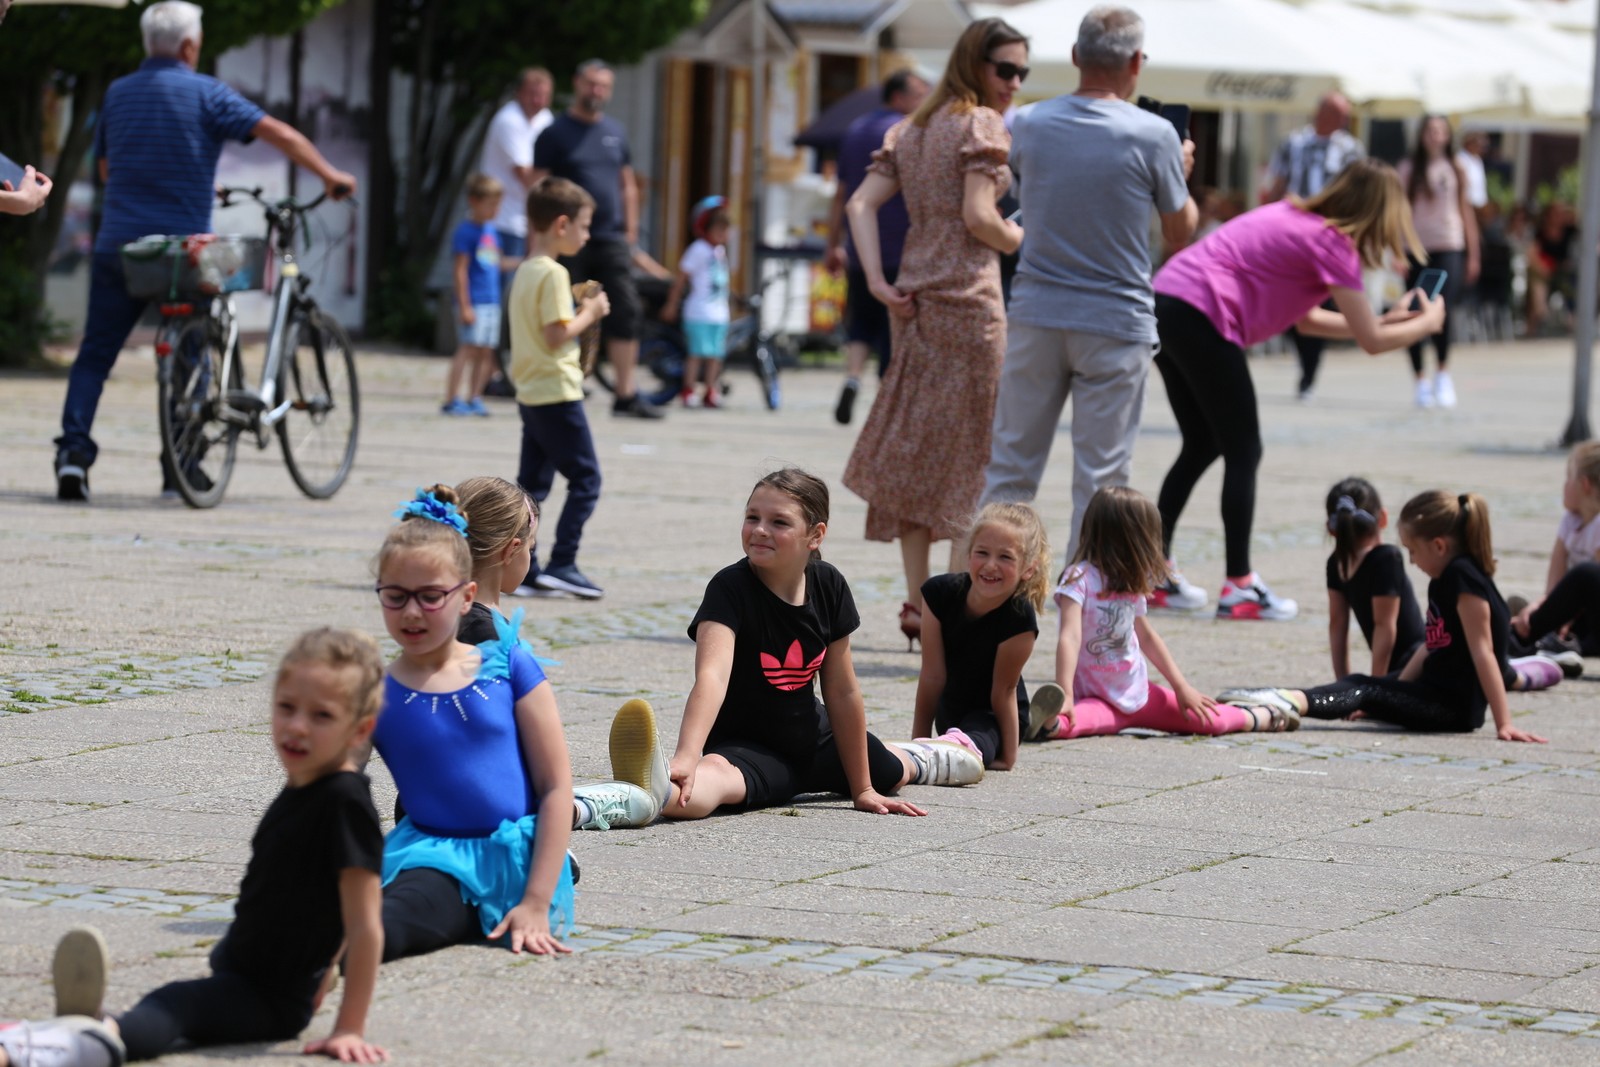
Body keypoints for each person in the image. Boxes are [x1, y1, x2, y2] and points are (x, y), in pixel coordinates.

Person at [0, 629, 390, 1066]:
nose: (297, 725)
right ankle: (92, 1026)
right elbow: (329, 901)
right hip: (245, 970)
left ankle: (76, 1043)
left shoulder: (344, 802)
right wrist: (324, 974)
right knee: (191, 1001)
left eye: (321, 716)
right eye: (286, 707)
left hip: (271, 996)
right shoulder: (307, 782)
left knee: (176, 1004)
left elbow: (365, 924)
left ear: (360, 729)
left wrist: (349, 1027)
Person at [52, 0, 355, 504]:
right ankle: (183, 467)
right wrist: (331, 175)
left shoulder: (118, 92)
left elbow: (107, 172)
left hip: (120, 247)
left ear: (149, 43)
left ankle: (72, 459)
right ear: (190, 46)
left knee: (94, 357)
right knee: (194, 355)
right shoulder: (208, 93)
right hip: (184, 254)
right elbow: (275, 131)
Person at [1151, 158, 1445, 622]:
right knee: (1244, 451)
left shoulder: (1294, 218)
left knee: (1204, 442)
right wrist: (1428, 323)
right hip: (1202, 315)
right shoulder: (1334, 243)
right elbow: (1371, 343)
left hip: (1166, 304)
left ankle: (1152, 574)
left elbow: (1306, 319)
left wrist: (1383, 321)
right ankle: (1240, 586)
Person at [607, 469, 984, 823]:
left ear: (815, 535)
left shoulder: (829, 585)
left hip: (815, 739)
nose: (760, 530)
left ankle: (926, 756)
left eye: (779, 522)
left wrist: (864, 788)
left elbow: (842, 689)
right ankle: (654, 788)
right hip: (749, 748)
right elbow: (712, 677)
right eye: (752, 517)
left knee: (889, 771)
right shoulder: (729, 589)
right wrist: (687, 756)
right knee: (706, 787)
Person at [979, 4, 1197, 569]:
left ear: (1076, 57)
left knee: (1009, 470)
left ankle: (974, 607)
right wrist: (1182, 170)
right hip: (1115, 321)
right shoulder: (1156, 136)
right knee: (1101, 481)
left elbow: (1010, 190)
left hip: (1036, 311)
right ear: (1135, 62)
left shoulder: (1024, 122)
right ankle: (1087, 622)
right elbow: (1179, 232)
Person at [842, 17, 1027, 650]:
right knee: (970, 457)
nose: (1015, 82)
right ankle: (951, 606)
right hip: (971, 308)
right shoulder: (979, 124)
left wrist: (875, 277)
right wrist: (1024, 237)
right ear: (977, 64)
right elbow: (980, 216)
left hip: (915, 305)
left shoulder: (912, 126)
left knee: (919, 453)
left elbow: (859, 204)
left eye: (1022, 72)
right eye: (1006, 69)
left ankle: (921, 600)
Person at [369, 488, 580, 964]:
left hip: (502, 856)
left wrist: (535, 902)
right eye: (395, 596)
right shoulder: (380, 689)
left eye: (429, 597)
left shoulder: (509, 662)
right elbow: (336, 784)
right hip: (426, 847)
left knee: (373, 926)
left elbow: (554, 784)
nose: (412, 612)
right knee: (347, 920)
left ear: (462, 595)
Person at [1221, 491, 1549, 744]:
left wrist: (1504, 722)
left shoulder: (1464, 580)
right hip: (1433, 692)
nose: (1412, 560)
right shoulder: (1444, 579)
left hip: (1452, 709)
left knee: (1362, 688)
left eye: (1413, 551)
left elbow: (1484, 653)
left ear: (1438, 545)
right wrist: (1392, 693)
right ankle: (1284, 697)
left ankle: (1288, 701)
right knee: (1368, 686)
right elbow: (1430, 646)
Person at [1032, 487, 1287, 743]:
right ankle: (1048, 721)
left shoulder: (1128, 582)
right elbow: (1070, 637)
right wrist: (1065, 693)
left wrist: (1181, 687)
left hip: (1140, 695)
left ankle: (1261, 715)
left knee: (1210, 720)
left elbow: (1147, 637)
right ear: (1130, 539)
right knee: (1077, 721)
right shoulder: (1079, 578)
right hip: (1097, 699)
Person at [1326, 477, 1561, 692]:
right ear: (1383, 518)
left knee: (1489, 660)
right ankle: (1518, 655)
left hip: (1420, 654)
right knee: (1474, 646)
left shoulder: (1370, 560)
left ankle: (1521, 667)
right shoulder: (1361, 561)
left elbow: (1366, 627)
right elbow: (1375, 627)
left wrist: (1374, 688)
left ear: (1331, 528)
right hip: (1414, 656)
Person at [533, 59, 659, 419]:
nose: (597, 92)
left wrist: (631, 231)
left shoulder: (615, 132)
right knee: (564, 310)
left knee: (626, 309)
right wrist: (539, 240)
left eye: (603, 86)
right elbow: (539, 190)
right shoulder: (555, 133)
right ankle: (567, 386)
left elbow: (627, 184)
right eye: (591, 84)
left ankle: (625, 393)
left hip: (611, 237)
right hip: (566, 240)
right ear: (577, 84)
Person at [508, 177, 611, 600]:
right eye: (584, 226)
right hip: (557, 390)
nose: (587, 236)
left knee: (531, 486)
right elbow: (556, 334)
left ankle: (521, 566)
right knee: (586, 479)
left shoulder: (526, 270)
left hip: (531, 390)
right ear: (562, 224)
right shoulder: (552, 272)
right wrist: (591, 311)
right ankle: (563, 563)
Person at [911, 502, 1052, 771]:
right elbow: (932, 675)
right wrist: (918, 740)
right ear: (968, 554)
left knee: (979, 731)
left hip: (993, 717)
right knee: (954, 730)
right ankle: (944, 746)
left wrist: (1008, 757)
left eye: (1005, 557)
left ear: (1028, 569)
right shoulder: (938, 594)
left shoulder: (1019, 617)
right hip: (951, 709)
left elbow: (1005, 690)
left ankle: (955, 750)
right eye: (982, 553)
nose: (990, 565)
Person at [824, 69, 930, 425]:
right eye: (919, 93)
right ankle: (887, 404)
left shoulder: (854, 131)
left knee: (861, 324)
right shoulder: (907, 132)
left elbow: (842, 195)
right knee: (892, 328)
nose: (924, 100)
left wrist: (833, 243)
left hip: (860, 247)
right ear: (898, 97)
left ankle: (852, 377)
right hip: (903, 250)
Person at [1263, 91, 1364, 401]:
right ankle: (1305, 362)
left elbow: (1358, 195)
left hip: (1328, 236)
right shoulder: (1293, 143)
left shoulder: (1350, 149)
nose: (1343, 121)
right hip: (1292, 232)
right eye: (1337, 113)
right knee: (1293, 302)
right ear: (1321, 112)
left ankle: (1310, 369)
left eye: (1345, 115)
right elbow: (1277, 185)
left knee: (1320, 302)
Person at [1398, 115, 1480, 409]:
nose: (1435, 136)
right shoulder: (1408, 169)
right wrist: (1397, 250)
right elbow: (1399, 213)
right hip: (1416, 247)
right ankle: (1420, 379)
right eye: (1430, 130)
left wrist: (1474, 253)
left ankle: (1443, 373)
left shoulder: (1457, 167)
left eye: (1440, 131)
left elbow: (1466, 211)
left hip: (1449, 244)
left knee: (1443, 310)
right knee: (1414, 312)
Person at [1511, 441, 1600, 666]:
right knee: (1554, 611)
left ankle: (1521, 638)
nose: (1564, 485)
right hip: (1582, 617)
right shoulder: (1570, 521)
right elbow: (1555, 589)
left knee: (1587, 574)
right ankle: (1549, 643)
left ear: (1584, 484)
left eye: (1568, 478)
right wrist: (1543, 609)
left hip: (1592, 616)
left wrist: (1539, 613)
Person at [442, 174, 507, 416]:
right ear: (474, 201)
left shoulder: (491, 231)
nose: (495, 209)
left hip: (493, 300)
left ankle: (475, 396)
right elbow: (460, 271)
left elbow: (496, 263)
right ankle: (451, 398)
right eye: (490, 203)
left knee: (486, 351)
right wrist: (465, 305)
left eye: (497, 204)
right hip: (474, 301)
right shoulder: (465, 232)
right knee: (468, 348)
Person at [478, 68, 553, 268]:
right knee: (502, 288)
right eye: (533, 94)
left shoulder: (546, 118)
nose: (538, 101)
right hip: (502, 222)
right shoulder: (509, 120)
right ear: (518, 93)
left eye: (544, 95)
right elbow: (528, 178)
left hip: (528, 223)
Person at [662, 196, 732, 409]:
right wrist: (672, 304)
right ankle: (689, 389)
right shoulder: (698, 249)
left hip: (719, 312)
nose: (722, 234)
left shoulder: (719, 252)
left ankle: (711, 390)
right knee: (696, 355)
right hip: (699, 312)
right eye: (718, 229)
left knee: (715, 357)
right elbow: (682, 278)